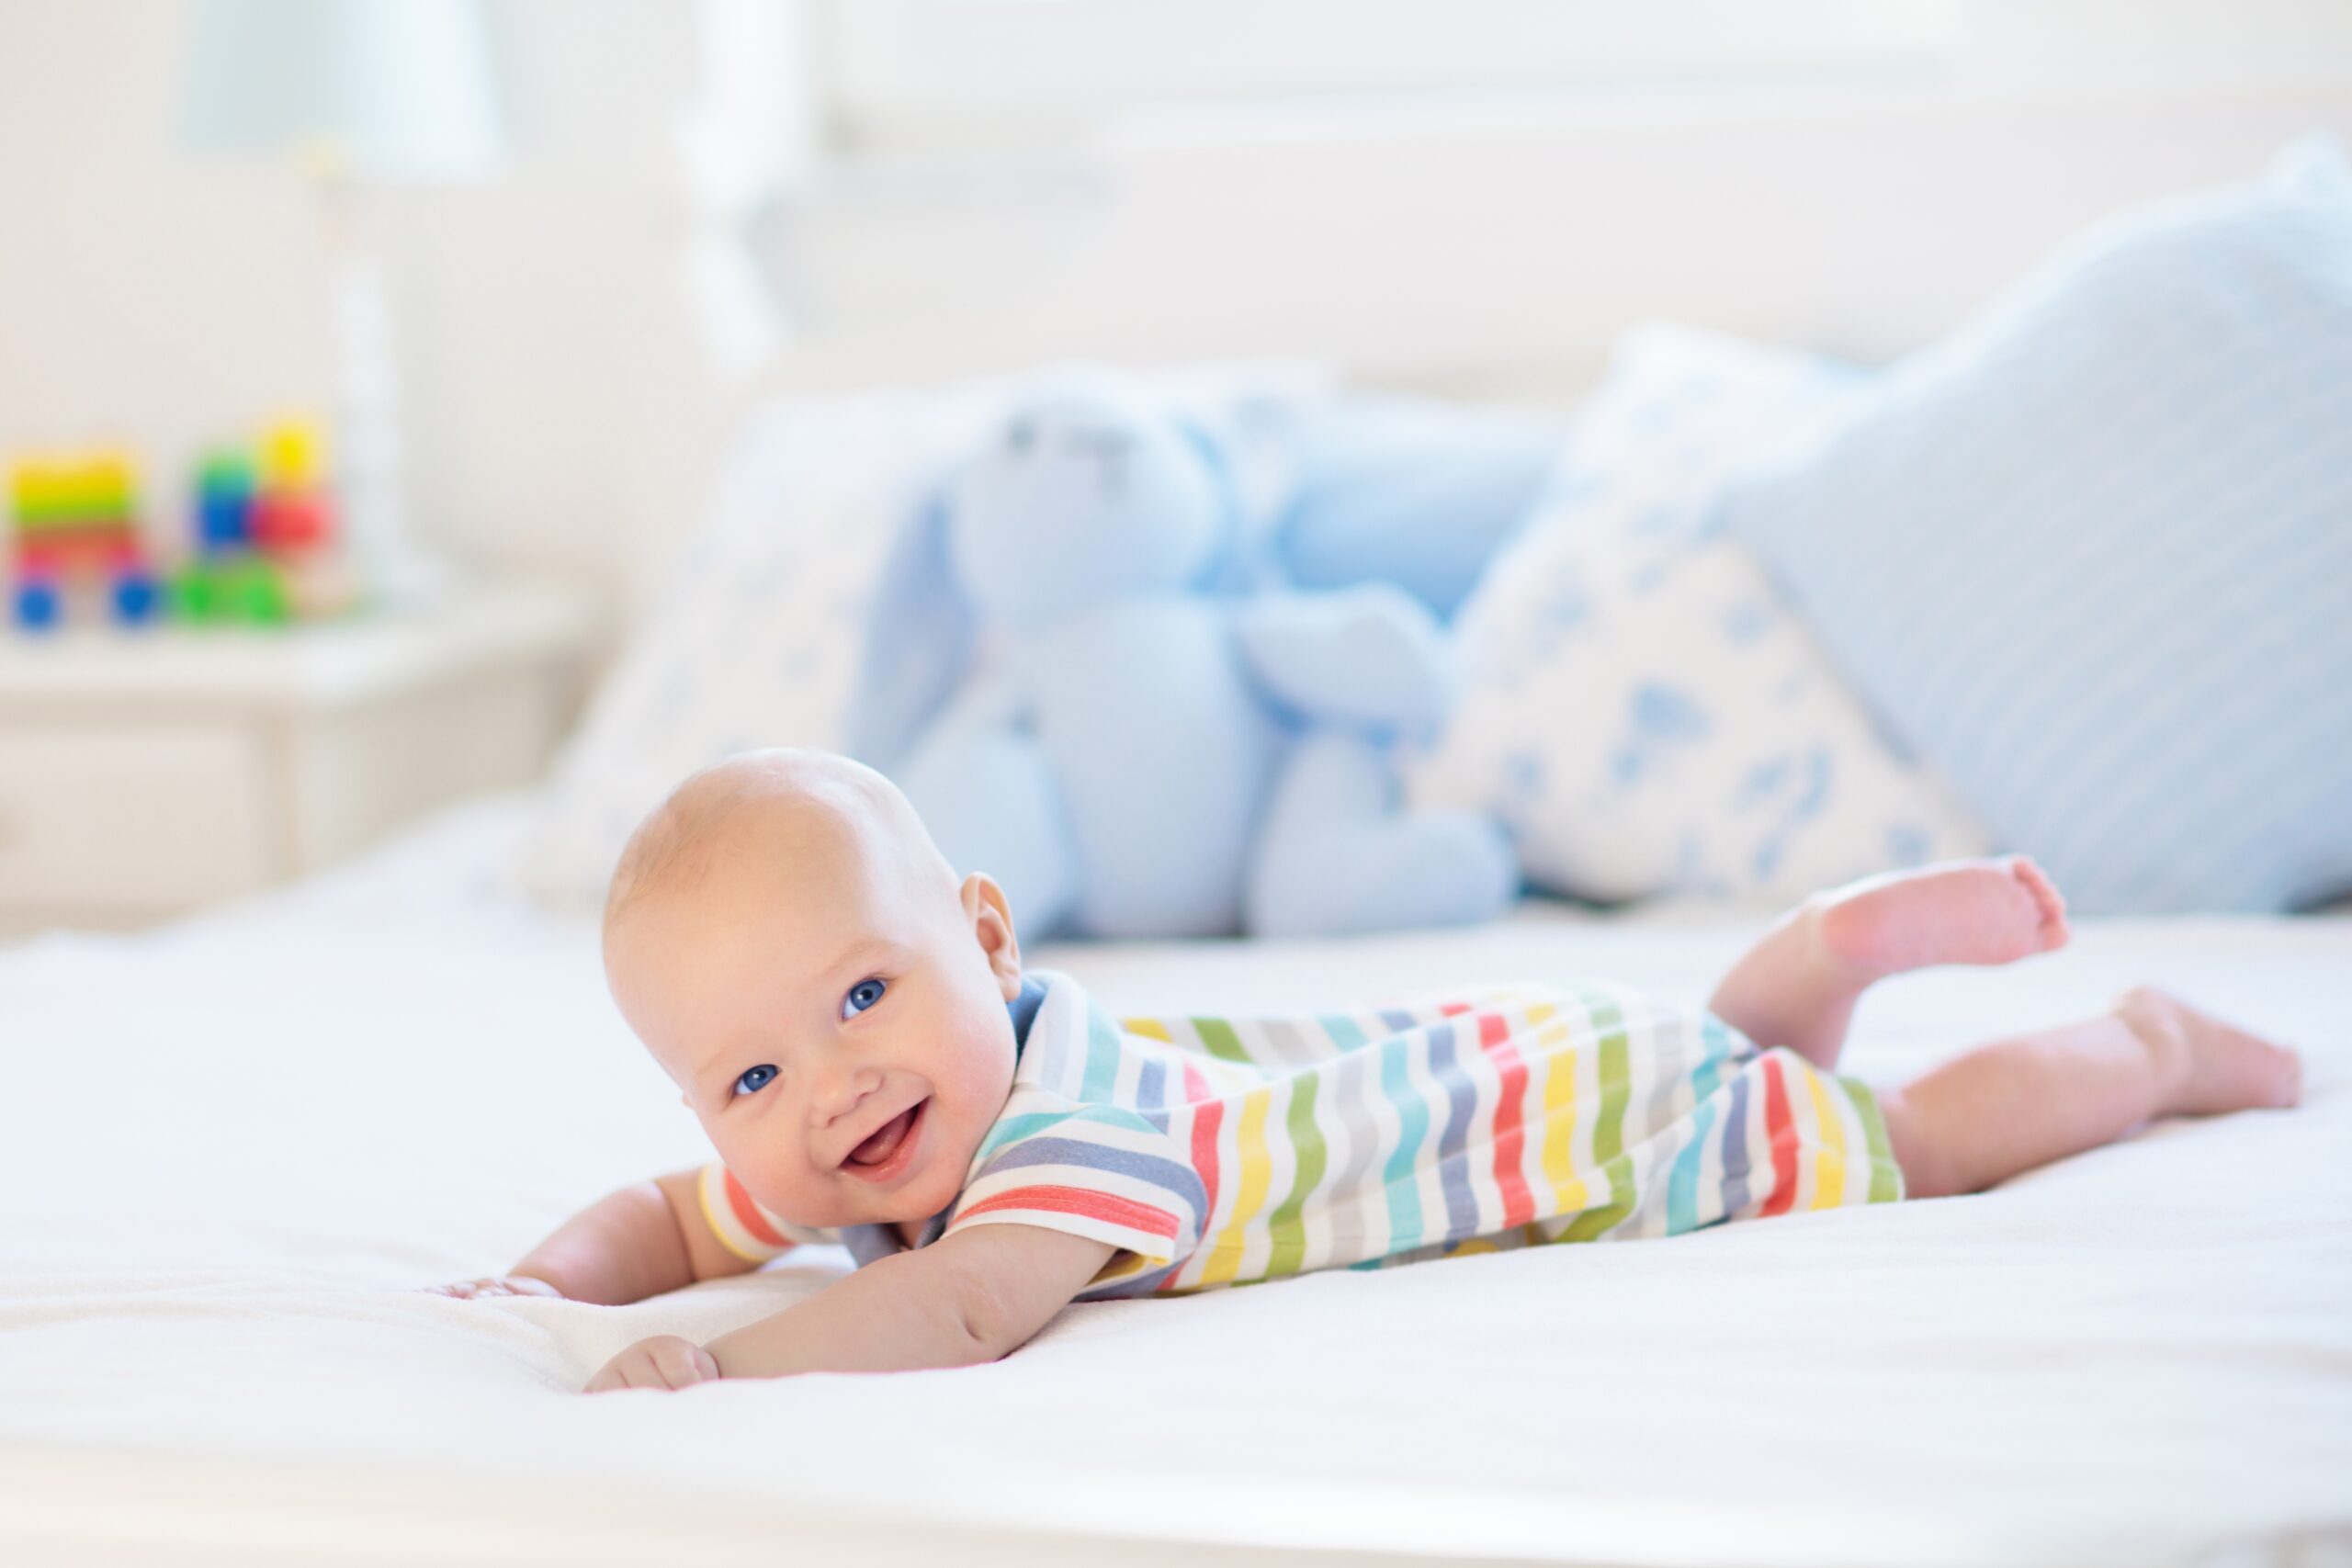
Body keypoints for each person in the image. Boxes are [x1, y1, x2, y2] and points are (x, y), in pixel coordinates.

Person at [429, 750, 2301, 1393]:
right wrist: (554, 1281)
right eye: (746, 1073)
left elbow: (957, 1313)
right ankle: (1808, 955)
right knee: (1735, 1061)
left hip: (1567, 1131)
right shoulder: (859, 1130)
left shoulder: (1062, 1134)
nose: (822, 1089)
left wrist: (716, 1356)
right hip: (1531, 1048)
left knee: (1907, 1139)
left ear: (988, 942)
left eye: (857, 996)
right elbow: (667, 1214)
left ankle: (2137, 1044)